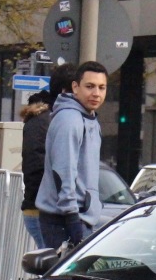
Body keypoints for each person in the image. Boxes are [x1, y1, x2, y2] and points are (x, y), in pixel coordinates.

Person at [37, 61, 108, 250]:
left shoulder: (88, 118)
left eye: (102, 87)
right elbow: (63, 171)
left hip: (79, 217)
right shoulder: (70, 119)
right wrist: (72, 218)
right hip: (64, 220)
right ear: (75, 87)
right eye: (90, 86)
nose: (96, 93)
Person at [19, 63, 75, 249]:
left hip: (41, 208)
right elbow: (38, 166)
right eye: (85, 86)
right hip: (44, 211)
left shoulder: (47, 118)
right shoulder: (50, 120)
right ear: (68, 89)